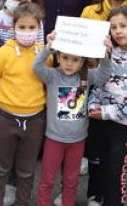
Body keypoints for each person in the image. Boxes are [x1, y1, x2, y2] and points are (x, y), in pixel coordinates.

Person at [83, 5, 127, 206]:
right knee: (96, 164)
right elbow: (96, 83)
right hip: (98, 121)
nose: (118, 31)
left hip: (123, 126)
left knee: (115, 172)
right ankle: (94, 198)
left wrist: (106, 112)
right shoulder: (106, 52)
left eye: (123, 25)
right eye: (113, 27)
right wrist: (93, 105)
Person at [33, 29, 110, 206]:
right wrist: (48, 48)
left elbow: (104, 74)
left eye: (75, 60)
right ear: (58, 57)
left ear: (82, 61)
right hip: (54, 139)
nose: (69, 63)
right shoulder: (52, 76)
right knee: (47, 180)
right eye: (65, 58)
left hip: (77, 141)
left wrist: (105, 56)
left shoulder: (87, 76)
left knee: (71, 180)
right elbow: (36, 67)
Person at [0, 2, 47, 206]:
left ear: (39, 27)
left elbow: (49, 84)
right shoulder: (0, 55)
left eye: (31, 27)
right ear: (13, 28)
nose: (27, 32)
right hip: (5, 119)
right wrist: (3, 102)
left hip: (35, 121)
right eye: (22, 27)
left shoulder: (46, 55)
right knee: (0, 169)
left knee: (27, 171)